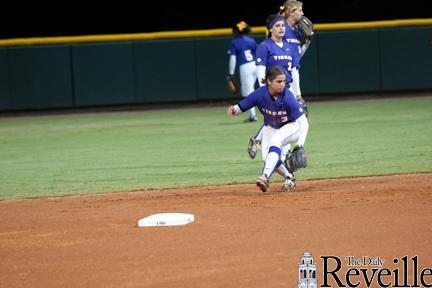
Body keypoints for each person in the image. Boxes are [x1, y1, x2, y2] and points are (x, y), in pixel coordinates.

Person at [227, 66, 309, 192]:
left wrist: (300, 145)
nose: (282, 84)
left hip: (292, 127)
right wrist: (233, 110)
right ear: (269, 81)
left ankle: (265, 177)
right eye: (279, 81)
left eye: (283, 81)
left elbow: (303, 122)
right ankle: (289, 177)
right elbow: (241, 107)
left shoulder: (288, 96)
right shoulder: (259, 94)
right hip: (270, 127)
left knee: (276, 140)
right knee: (269, 160)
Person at [248, 1, 313, 159]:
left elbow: (295, 60)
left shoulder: (297, 32)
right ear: (291, 12)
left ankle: (265, 144)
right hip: (276, 83)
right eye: (299, 11)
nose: (302, 14)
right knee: (284, 118)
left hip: (291, 79)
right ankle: (281, 152)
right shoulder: (280, 32)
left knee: (285, 118)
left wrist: (306, 44)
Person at [227, 20, 259, 122]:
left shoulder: (234, 41)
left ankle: (253, 116)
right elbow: (259, 54)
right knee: (249, 91)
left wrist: (231, 73)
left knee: (248, 92)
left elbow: (233, 58)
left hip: (245, 67)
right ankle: (252, 114)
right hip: (256, 65)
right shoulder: (251, 40)